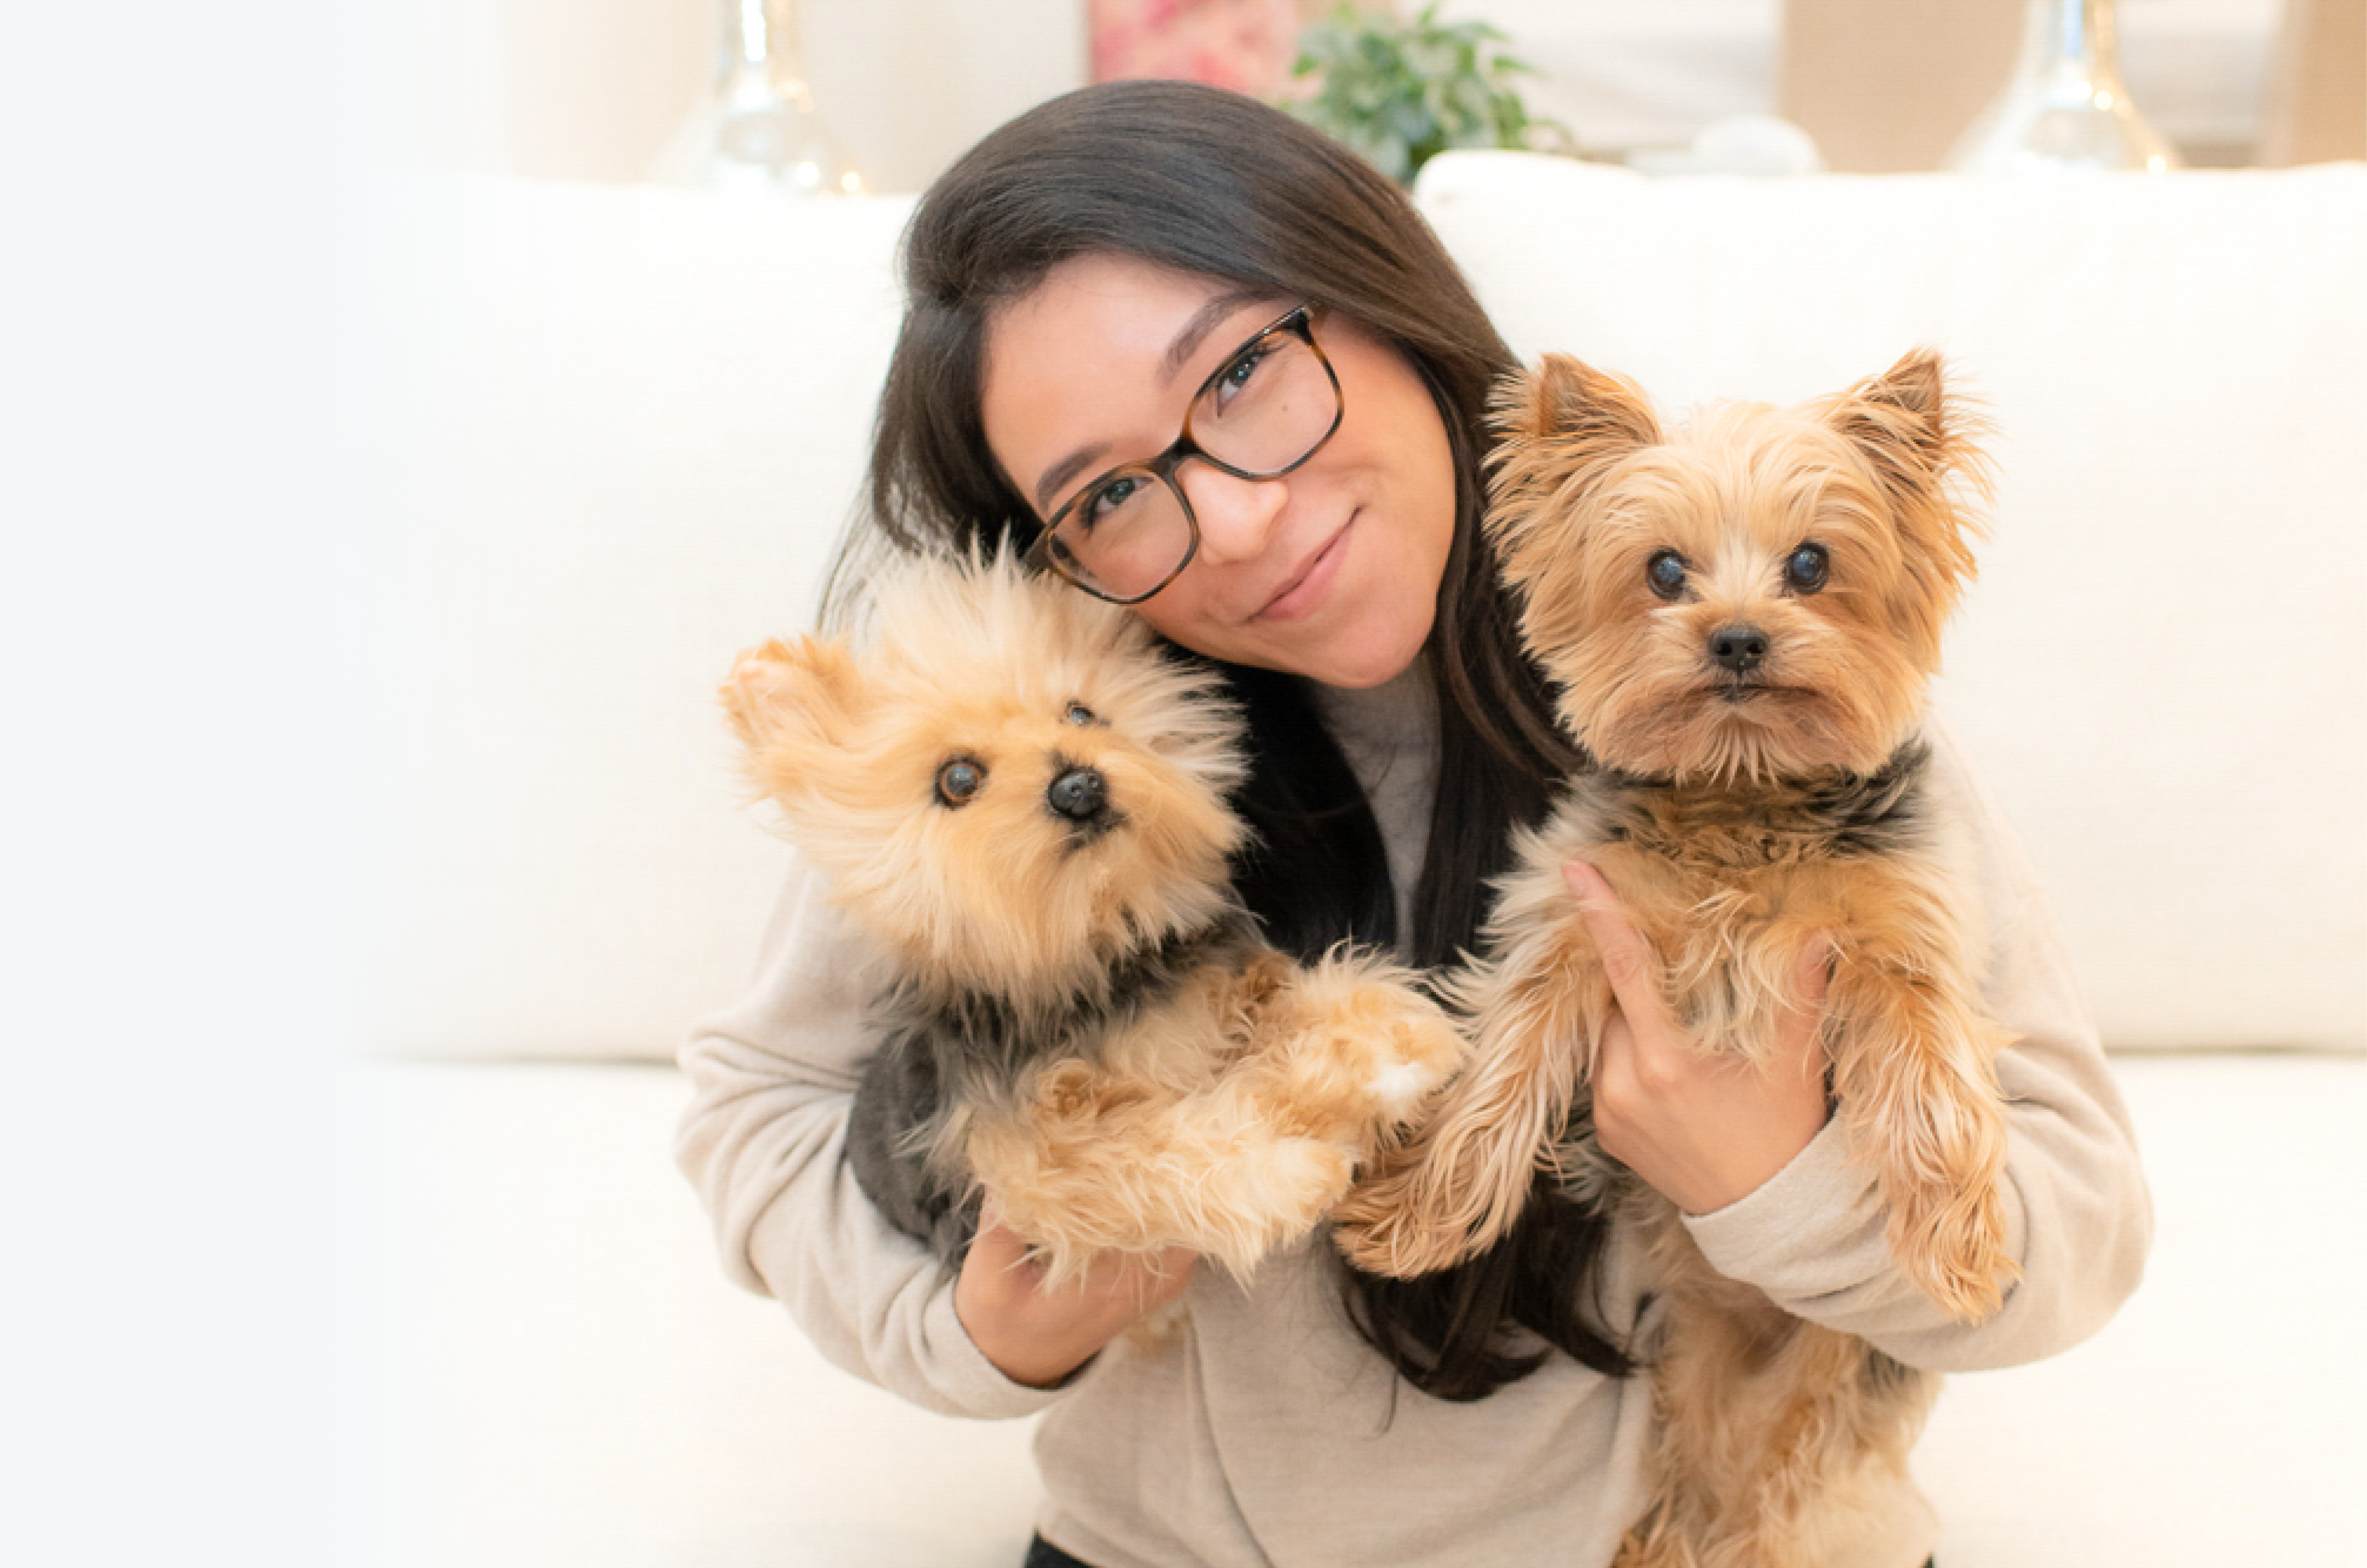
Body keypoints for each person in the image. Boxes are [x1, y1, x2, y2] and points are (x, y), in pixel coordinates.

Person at [675, 80, 2150, 1568]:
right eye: (1113, 491)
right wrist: (976, 1331)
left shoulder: (1769, 712)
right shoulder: (1036, 735)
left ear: (1378, 293)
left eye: (1243, 371)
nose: (1238, 520)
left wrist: (1774, 1184)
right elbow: (757, 1102)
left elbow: (2076, 1230)